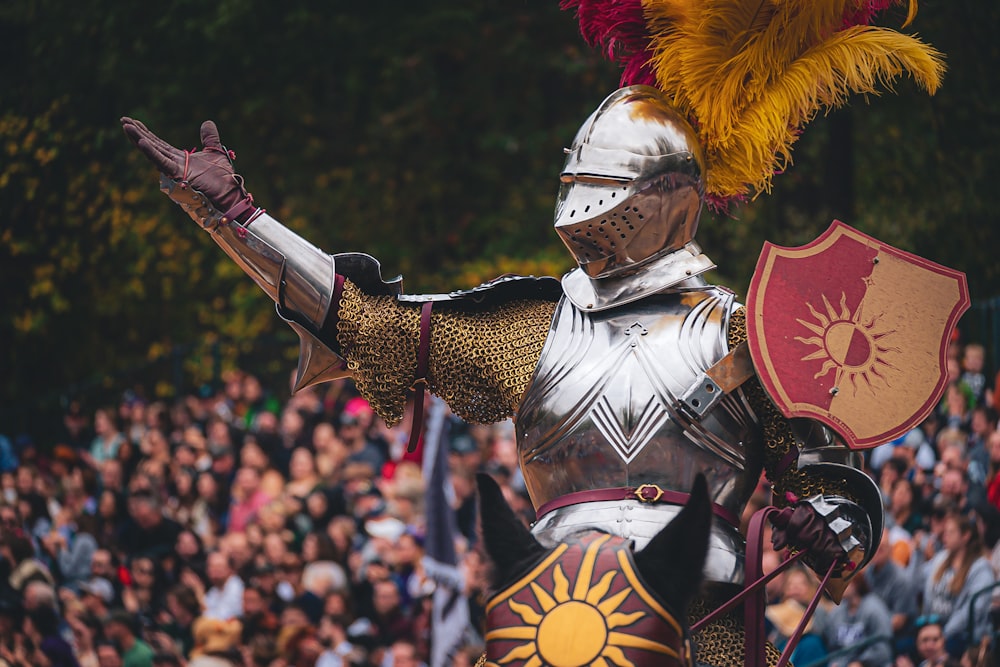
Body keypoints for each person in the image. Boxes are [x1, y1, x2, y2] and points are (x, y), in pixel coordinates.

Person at [122, 82, 936, 666]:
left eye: (603, 190)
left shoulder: (745, 327)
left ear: (660, 198)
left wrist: (830, 519)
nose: (583, 209)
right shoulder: (536, 321)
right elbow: (367, 324)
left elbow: (833, 485)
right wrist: (234, 215)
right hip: (550, 616)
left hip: (703, 617)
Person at [920, 511, 995, 657]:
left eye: (951, 532)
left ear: (965, 535)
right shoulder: (941, 558)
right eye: (945, 531)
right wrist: (917, 553)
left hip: (961, 637)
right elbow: (917, 582)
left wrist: (943, 634)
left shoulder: (980, 568)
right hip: (933, 628)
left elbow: (973, 611)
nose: (945, 536)